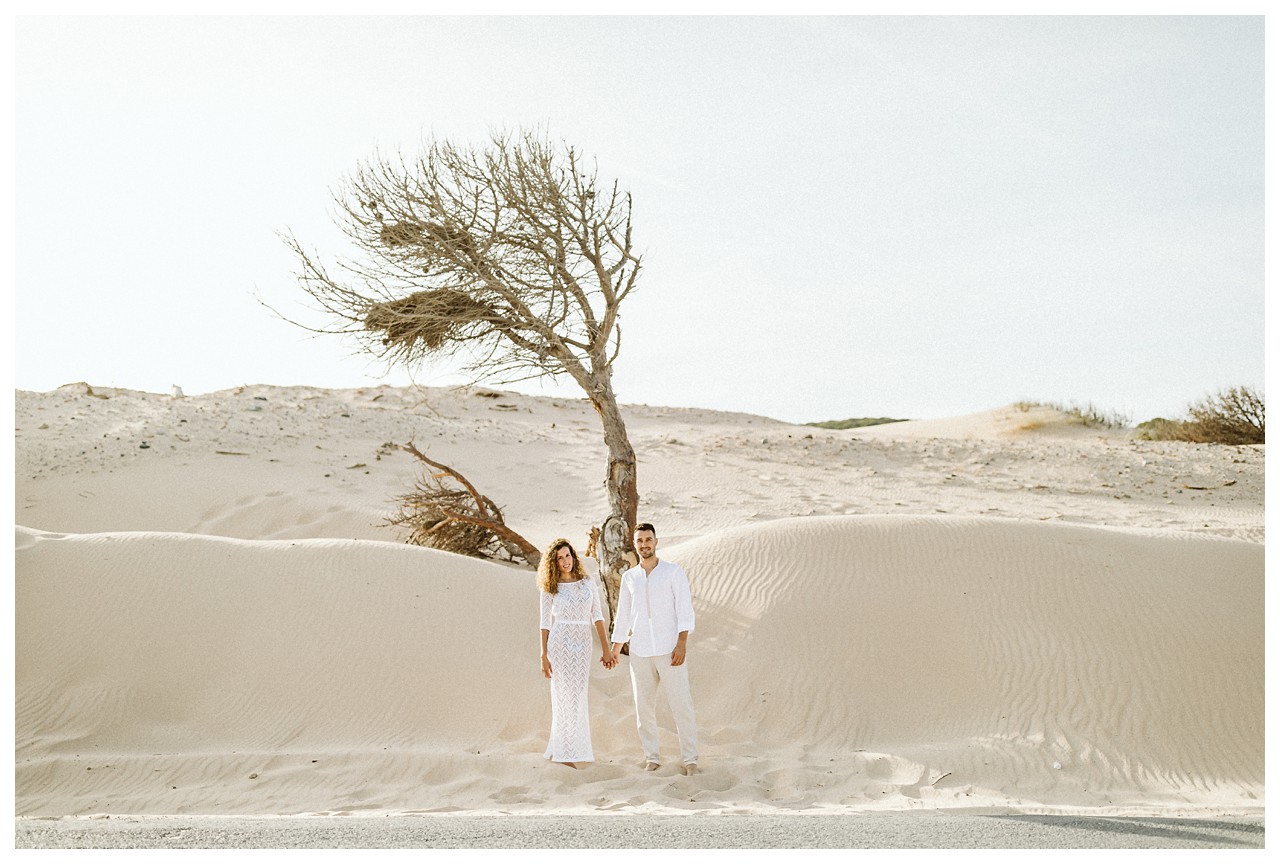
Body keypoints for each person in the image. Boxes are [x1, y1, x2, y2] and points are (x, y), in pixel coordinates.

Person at [610, 522, 699, 775]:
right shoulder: (630, 578)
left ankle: (690, 759)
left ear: (656, 542)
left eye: (648, 539)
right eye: (639, 541)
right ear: (635, 544)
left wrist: (681, 643)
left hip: (670, 650)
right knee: (643, 708)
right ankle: (652, 757)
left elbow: (684, 610)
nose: (644, 544)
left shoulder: (673, 572)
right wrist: (616, 649)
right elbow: (624, 616)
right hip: (639, 652)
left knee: (681, 706)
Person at [539, 538, 616, 768]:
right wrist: (543, 655)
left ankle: (564, 748)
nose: (565, 561)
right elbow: (544, 623)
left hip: (582, 643)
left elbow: (598, 616)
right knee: (563, 695)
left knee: (578, 694)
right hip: (560, 642)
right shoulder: (549, 587)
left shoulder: (587, 582)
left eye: (568, 555)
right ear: (553, 563)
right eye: (560, 558)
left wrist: (606, 649)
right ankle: (566, 753)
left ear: (574, 556)